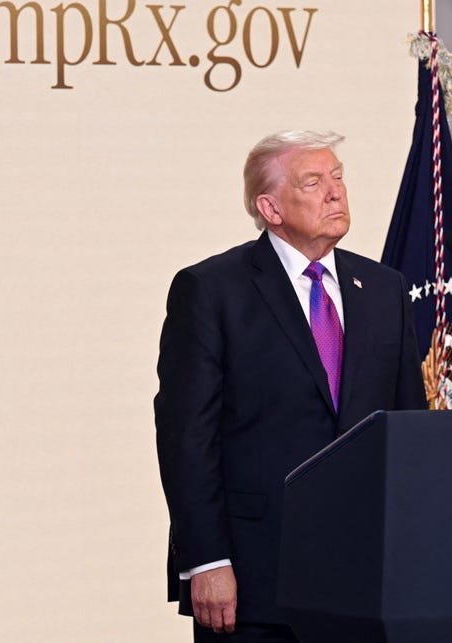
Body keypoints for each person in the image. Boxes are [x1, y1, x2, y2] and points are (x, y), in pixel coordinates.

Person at [155, 130, 425, 642]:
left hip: (367, 576)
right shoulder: (211, 289)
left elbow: (409, 426)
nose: (335, 192)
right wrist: (206, 560)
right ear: (270, 208)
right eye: (313, 182)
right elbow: (186, 437)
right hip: (254, 577)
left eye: (338, 177)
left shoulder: (383, 289)